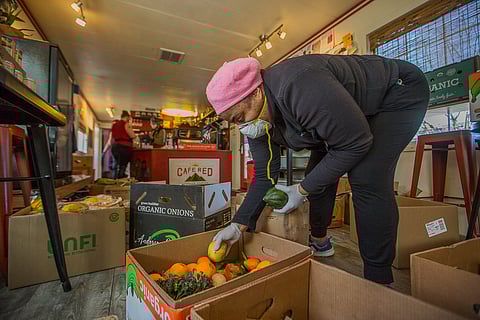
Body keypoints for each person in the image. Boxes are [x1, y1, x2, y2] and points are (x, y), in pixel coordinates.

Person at [206, 55, 429, 285]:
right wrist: (237, 224)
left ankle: (378, 278)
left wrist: (302, 190)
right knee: (320, 171)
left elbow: (356, 143)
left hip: (396, 95)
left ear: (255, 92)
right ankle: (320, 242)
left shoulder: (298, 85)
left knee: (366, 176)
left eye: (240, 117)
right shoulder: (256, 122)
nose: (242, 126)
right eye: (234, 122)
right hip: (350, 117)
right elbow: (264, 175)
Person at [110, 110, 136, 179]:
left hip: (115, 147)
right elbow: (132, 135)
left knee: (117, 164)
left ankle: (115, 180)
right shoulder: (126, 124)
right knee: (123, 166)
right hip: (124, 147)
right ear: (127, 117)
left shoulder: (114, 124)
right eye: (129, 118)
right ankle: (121, 180)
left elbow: (112, 137)